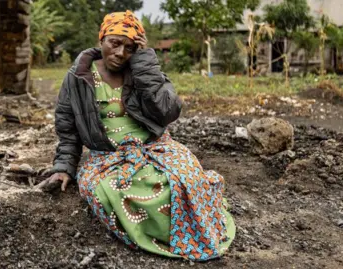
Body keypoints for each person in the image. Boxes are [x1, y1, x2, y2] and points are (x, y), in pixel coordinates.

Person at [39, 10, 235, 261]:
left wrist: (144, 66)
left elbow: (166, 112)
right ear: (102, 39)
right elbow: (67, 129)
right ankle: (162, 238)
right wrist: (65, 167)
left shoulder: (142, 71)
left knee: (187, 180)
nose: (121, 53)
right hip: (107, 157)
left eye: (130, 47)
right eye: (115, 43)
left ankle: (190, 233)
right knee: (115, 192)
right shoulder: (78, 77)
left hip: (155, 148)